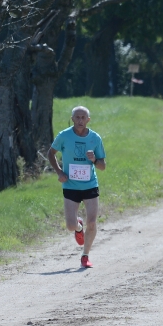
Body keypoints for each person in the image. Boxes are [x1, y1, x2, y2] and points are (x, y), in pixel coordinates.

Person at [48, 106, 106, 268]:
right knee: (70, 226)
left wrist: (94, 160)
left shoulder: (95, 138)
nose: (80, 120)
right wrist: (59, 172)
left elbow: (102, 166)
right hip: (70, 185)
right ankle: (78, 227)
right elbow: (50, 153)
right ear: (72, 119)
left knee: (92, 223)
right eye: (77, 117)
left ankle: (85, 256)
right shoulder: (64, 136)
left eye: (83, 117)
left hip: (90, 185)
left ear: (88, 120)